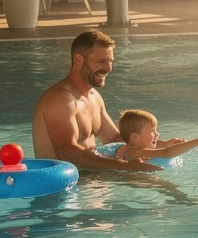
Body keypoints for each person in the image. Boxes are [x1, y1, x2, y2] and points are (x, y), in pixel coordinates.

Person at [32, 29, 159, 172]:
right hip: (64, 182)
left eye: (110, 61)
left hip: (92, 179)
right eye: (101, 61)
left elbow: (115, 139)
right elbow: (65, 151)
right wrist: (125, 166)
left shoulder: (94, 96)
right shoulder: (60, 98)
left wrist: (163, 145)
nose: (108, 68)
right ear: (78, 59)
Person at [114, 109, 198, 162]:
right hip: (136, 180)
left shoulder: (126, 148)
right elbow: (166, 153)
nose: (157, 134)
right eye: (152, 131)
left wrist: (165, 144)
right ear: (135, 137)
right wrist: (197, 142)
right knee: (166, 186)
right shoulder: (136, 152)